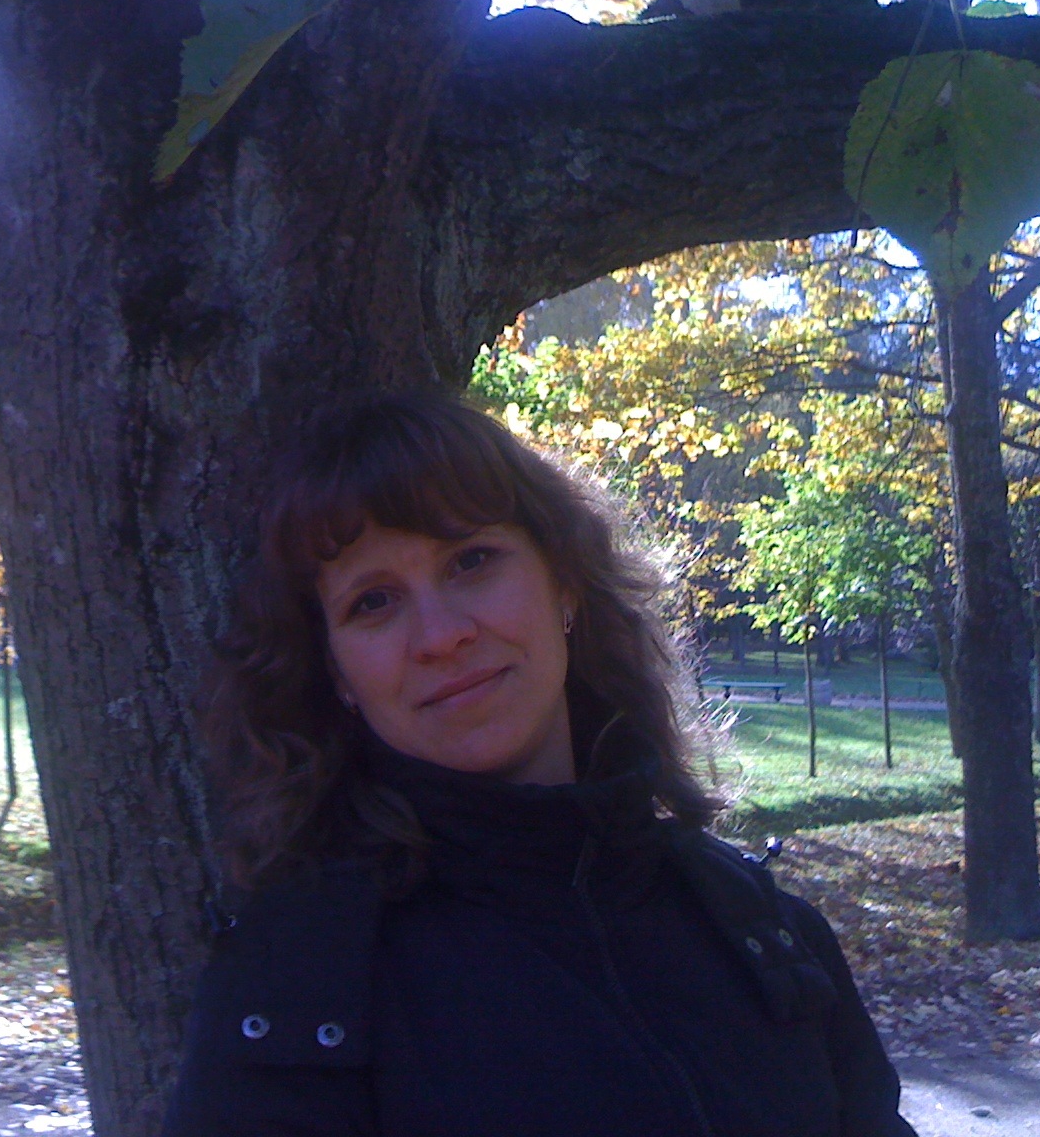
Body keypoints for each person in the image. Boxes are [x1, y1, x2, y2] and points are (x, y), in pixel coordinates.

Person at [161, 392, 916, 1137]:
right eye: (374, 602)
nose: (441, 635)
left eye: (471, 560)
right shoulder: (298, 1001)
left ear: (565, 583)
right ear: (337, 676)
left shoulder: (762, 934)